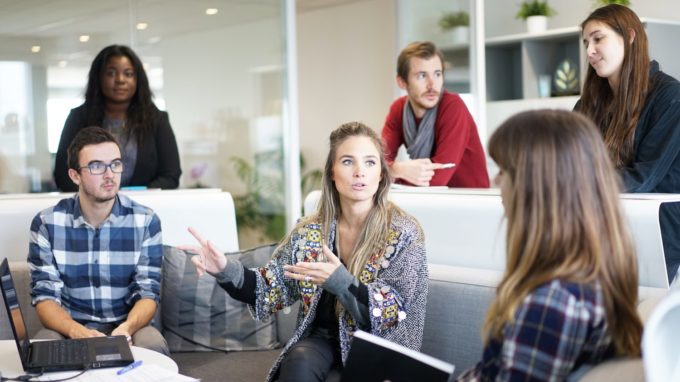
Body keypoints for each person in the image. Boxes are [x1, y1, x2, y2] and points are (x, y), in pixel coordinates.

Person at [182, 122, 428, 381]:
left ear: (380, 174)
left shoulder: (403, 233)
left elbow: (392, 311)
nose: (359, 172)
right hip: (321, 340)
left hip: (377, 345)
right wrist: (224, 269)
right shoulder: (310, 231)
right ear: (332, 172)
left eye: (369, 163)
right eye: (347, 162)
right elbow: (271, 287)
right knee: (298, 360)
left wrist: (340, 282)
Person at [458, 110, 642, 381]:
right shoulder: (590, 276)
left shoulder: (553, 303)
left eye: (504, 171)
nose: (496, 182)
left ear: (535, 187)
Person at [29, 127, 168, 355]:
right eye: (96, 166)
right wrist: (77, 332)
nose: (109, 174)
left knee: (152, 344)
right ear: (75, 175)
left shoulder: (145, 221)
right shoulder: (47, 223)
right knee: (42, 346)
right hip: (70, 328)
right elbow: (45, 297)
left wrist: (126, 328)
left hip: (128, 327)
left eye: (115, 164)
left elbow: (148, 292)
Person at [575, 4, 680, 283]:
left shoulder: (670, 97)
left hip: (657, 234)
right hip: (601, 226)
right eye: (586, 42)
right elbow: (568, 161)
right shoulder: (588, 104)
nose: (589, 51)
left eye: (598, 39)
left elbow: (643, 177)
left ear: (630, 36)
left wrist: (575, 182)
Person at [53, 44, 181, 192]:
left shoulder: (157, 120)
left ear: (138, 79)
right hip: (91, 209)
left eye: (128, 74)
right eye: (111, 73)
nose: (120, 80)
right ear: (98, 78)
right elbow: (63, 176)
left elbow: (171, 175)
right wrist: (100, 197)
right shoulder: (78, 118)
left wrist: (134, 199)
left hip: (143, 208)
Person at [381, 41, 489, 188]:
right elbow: (376, 163)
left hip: (470, 201)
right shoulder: (398, 109)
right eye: (422, 76)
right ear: (402, 82)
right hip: (431, 199)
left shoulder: (453, 106)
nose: (432, 84)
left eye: (437, 74)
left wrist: (391, 172)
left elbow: (437, 179)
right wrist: (397, 169)